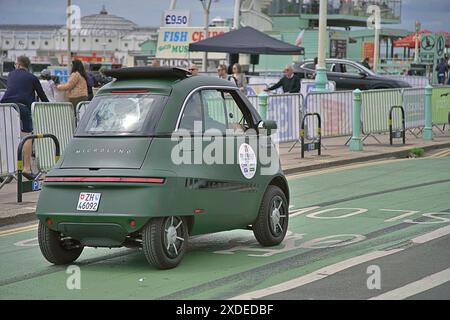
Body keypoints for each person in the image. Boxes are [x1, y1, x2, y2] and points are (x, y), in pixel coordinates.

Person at [0, 55, 49, 180]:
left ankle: (4, 169)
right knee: (27, 135)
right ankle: (27, 168)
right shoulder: (32, 77)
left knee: (6, 137)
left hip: (5, 106)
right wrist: (48, 105)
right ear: (28, 66)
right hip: (22, 106)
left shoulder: (11, 75)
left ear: (18, 64)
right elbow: (42, 96)